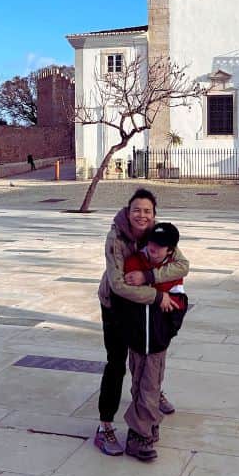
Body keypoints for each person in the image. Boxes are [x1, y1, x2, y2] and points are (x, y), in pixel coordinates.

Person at [94, 188, 188, 458]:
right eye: (137, 210)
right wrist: (158, 294)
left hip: (144, 306)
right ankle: (105, 426)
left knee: (147, 354)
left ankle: (150, 396)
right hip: (116, 305)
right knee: (117, 361)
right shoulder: (116, 237)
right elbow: (118, 284)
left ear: (154, 214)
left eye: (147, 211)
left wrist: (148, 276)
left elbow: (182, 265)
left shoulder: (158, 232)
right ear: (128, 211)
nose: (142, 215)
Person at [112, 222, 189, 461]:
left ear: (170, 250)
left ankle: (140, 434)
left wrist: (167, 329)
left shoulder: (172, 269)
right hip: (136, 337)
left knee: (150, 384)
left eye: (160, 247)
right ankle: (149, 422)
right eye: (151, 245)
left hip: (156, 339)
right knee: (140, 382)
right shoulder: (135, 261)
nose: (153, 250)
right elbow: (125, 289)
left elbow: (178, 302)